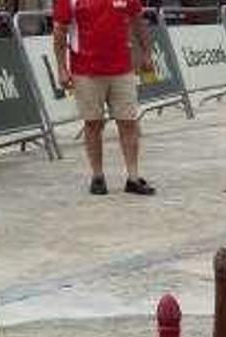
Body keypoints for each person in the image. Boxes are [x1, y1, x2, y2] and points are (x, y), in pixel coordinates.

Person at [53, 0, 157, 196]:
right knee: (93, 124)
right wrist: (61, 68)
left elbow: (137, 21)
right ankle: (97, 176)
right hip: (86, 71)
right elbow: (60, 31)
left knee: (128, 123)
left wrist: (147, 53)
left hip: (122, 69)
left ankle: (133, 178)